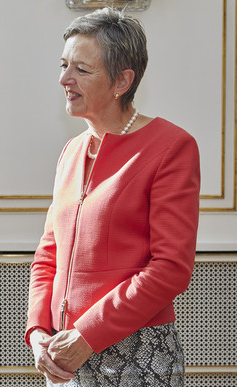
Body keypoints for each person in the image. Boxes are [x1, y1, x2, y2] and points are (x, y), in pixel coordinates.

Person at [25, 8, 200, 386]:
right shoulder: (71, 151)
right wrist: (38, 330)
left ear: (122, 80)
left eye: (81, 70)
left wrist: (89, 334)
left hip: (138, 355)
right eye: (63, 65)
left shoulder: (172, 147)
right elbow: (48, 253)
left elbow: (171, 267)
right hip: (63, 355)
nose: (63, 79)